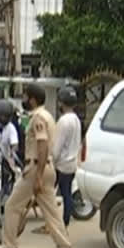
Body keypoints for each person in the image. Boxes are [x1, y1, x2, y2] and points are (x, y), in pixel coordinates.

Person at [0, 83, 74, 248]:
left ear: (33, 99)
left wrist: (39, 176)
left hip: (37, 168)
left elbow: (42, 146)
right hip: (45, 167)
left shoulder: (38, 118)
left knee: (12, 207)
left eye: (26, 97)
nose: (24, 101)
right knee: (51, 213)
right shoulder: (48, 115)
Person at [34, 86, 82, 233]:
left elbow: (57, 146)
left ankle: (56, 225)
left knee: (50, 194)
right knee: (62, 194)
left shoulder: (63, 121)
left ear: (61, 102)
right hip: (72, 163)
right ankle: (59, 224)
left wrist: (49, 159)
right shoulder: (76, 119)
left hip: (61, 164)